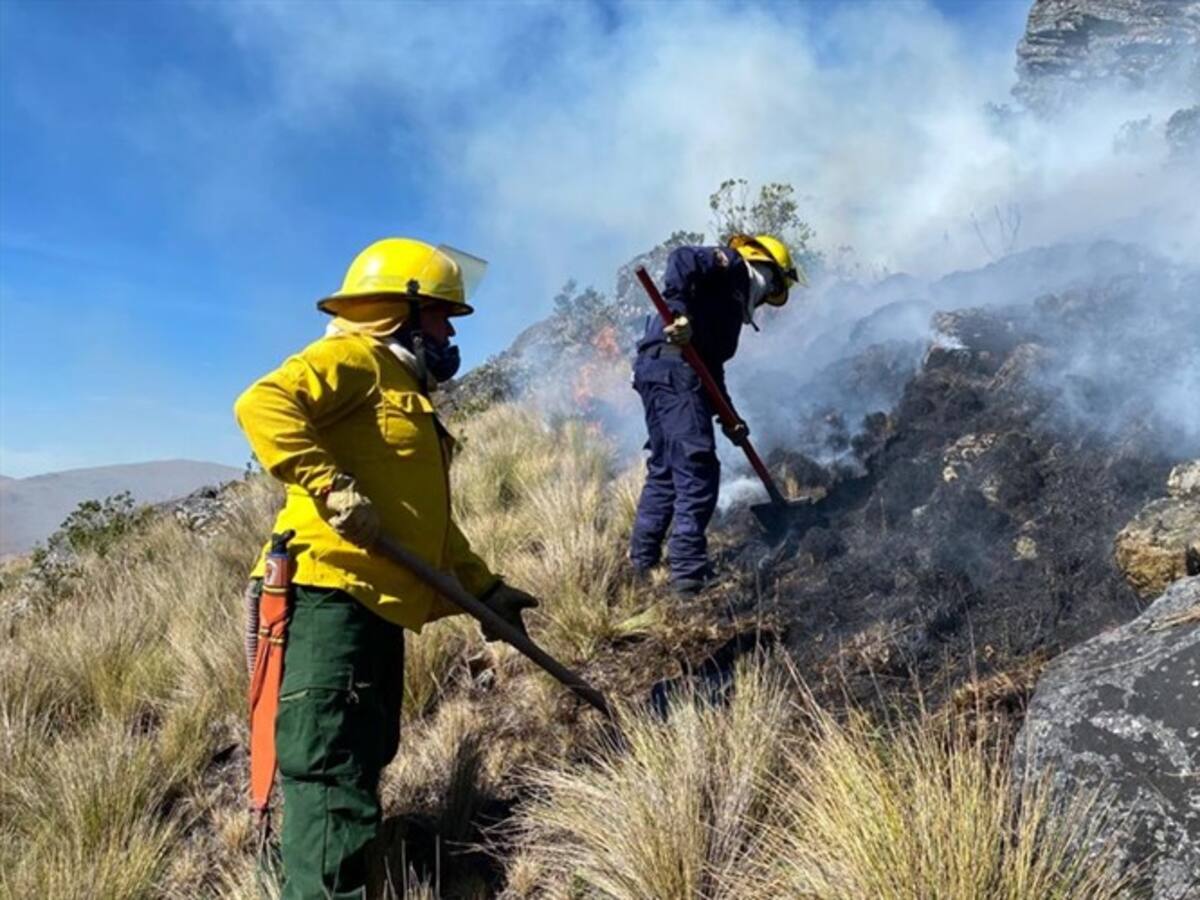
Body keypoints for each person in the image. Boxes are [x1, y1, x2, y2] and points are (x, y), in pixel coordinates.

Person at [234, 237, 538, 899]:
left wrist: (484, 588)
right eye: (441, 314)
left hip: (370, 603)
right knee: (330, 770)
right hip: (325, 599)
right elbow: (261, 404)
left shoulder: (404, 389)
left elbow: (421, 523)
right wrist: (329, 485)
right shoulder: (353, 357)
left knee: (363, 756)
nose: (452, 330)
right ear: (400, 312)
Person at [629, 234, 802, 596]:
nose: (768, 295)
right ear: (763, 263)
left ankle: (642, 563)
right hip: (674, 369)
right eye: (773, 284)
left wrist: (730, 418)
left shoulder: (727, 306)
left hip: (660, 370)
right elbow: (681, 257)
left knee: (664, 469)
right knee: (697, 467)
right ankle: (689, 573)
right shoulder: (732, 265)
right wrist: (677, 313)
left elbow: (711, 368)